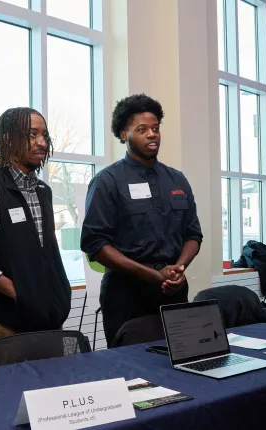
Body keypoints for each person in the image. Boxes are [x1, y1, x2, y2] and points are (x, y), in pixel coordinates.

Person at [80, 94, 203, 348]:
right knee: (133, 374)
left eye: (156, 128)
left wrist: (178, 268)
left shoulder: (177, 180)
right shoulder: (107, 182)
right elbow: (95, 244)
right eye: (142, 129)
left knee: (183, 365)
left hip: (173, 291)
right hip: (126, 296)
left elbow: (193, 234)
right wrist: (152, 275)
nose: (152, 135)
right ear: (124, 134)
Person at [0, 107, 71, 342]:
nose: (42, 143)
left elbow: (45, 253)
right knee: (11, 380)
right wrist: (17, 291)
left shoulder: (43, 191)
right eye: (33, 135)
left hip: (49, 319)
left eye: (45, 136)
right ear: (8, 139)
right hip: (7, 323)